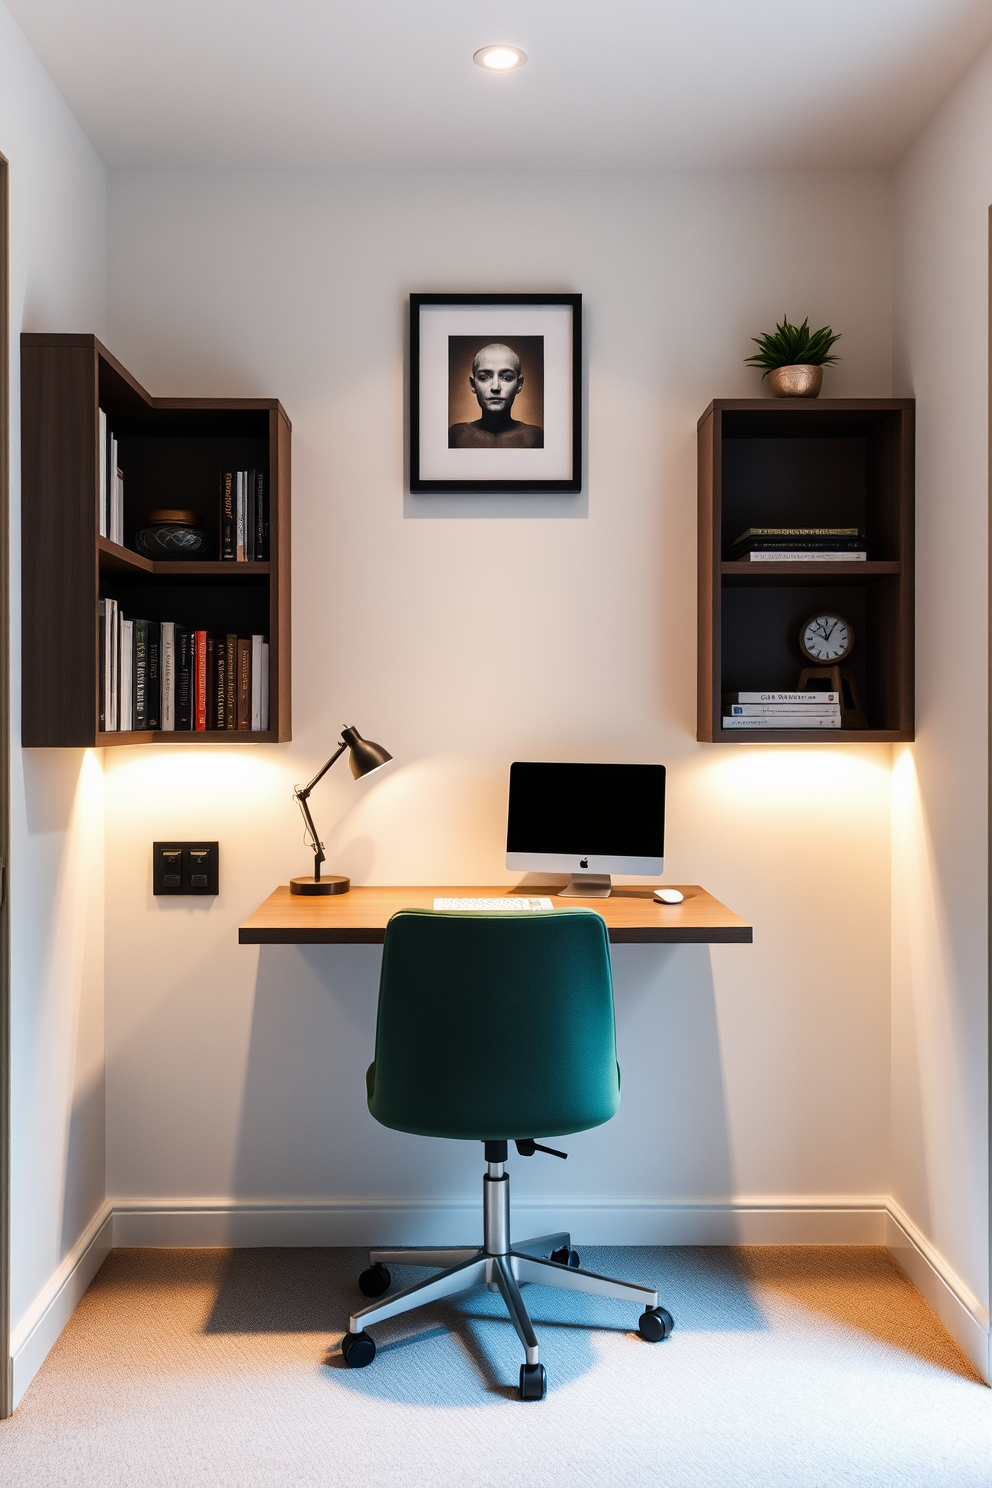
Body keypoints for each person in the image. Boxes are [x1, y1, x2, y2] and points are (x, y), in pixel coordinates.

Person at [448, 343, 544, 448]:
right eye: (484, 377)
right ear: (473, 384)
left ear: (519, 385)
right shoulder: (456, 436)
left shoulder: (535, 437)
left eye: (507, 378)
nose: (495, 387)